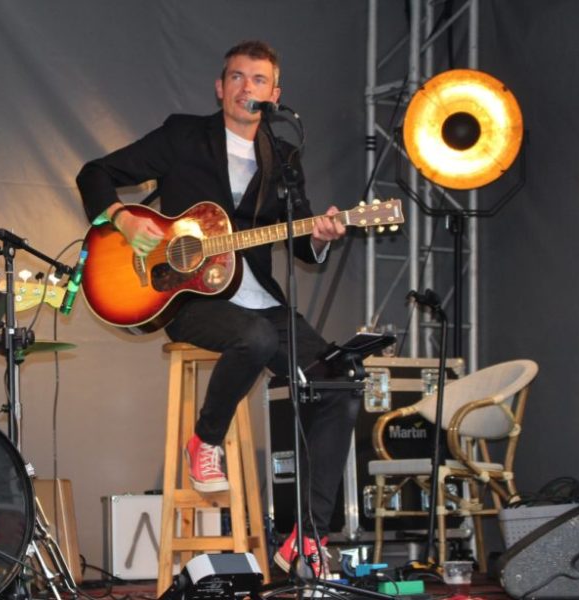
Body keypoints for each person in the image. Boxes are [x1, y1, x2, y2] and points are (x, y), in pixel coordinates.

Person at [76, 41, 356, 578]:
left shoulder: (284, 158)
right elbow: (95, 172)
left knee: (338, 386)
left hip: (260, 299)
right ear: (219, 86)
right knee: (256, 338)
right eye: (236, 77)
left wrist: (319, 237)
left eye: (257, 80)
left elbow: (297, 243)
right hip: (189, 299)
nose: (245, 87)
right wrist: (122, 218)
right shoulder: (184, 135)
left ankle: (306, 537)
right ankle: (205, 440)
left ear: (275, 95)